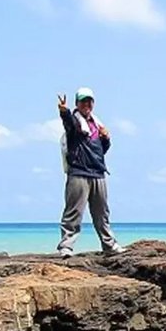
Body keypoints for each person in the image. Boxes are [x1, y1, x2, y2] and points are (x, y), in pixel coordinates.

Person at [56, 87, 124, 257]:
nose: (86, 104)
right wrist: (64, 112)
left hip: (98, 173)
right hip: (78, 172)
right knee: (73, 212)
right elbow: (69, 124)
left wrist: (106, 139)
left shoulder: (96, 125)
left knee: (102, 213)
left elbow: (101, 150)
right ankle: (66, 246)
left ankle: (109, 245)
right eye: (83, 101)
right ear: (77, 104)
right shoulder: (75, 123)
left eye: (89, 101)